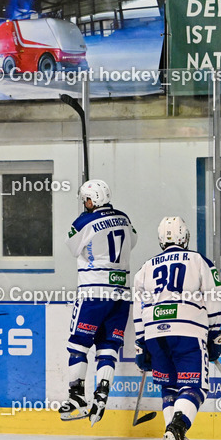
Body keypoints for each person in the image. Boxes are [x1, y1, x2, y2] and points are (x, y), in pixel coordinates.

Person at [132, 216, 221, 440]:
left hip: (153, 332)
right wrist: (215, 332)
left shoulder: (146, 267)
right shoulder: (198, 260)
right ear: (185, 237)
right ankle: (178, 428)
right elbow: (214, 295)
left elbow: (137, 306)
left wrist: (140, 343)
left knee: (170, 386)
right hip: (187, 328)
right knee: (196, 387)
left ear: (161, 240)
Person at [61, 179, 137, 424]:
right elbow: (132, 242)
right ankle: (102, 393)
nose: (85, 203)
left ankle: (76, 396)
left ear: (93, 199)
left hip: (93, 292)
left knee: (79, 345)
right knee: (108, 346)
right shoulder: (124, 218)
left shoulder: (85, 220)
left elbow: (72, 247)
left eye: (86, 199)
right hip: (122, 294)